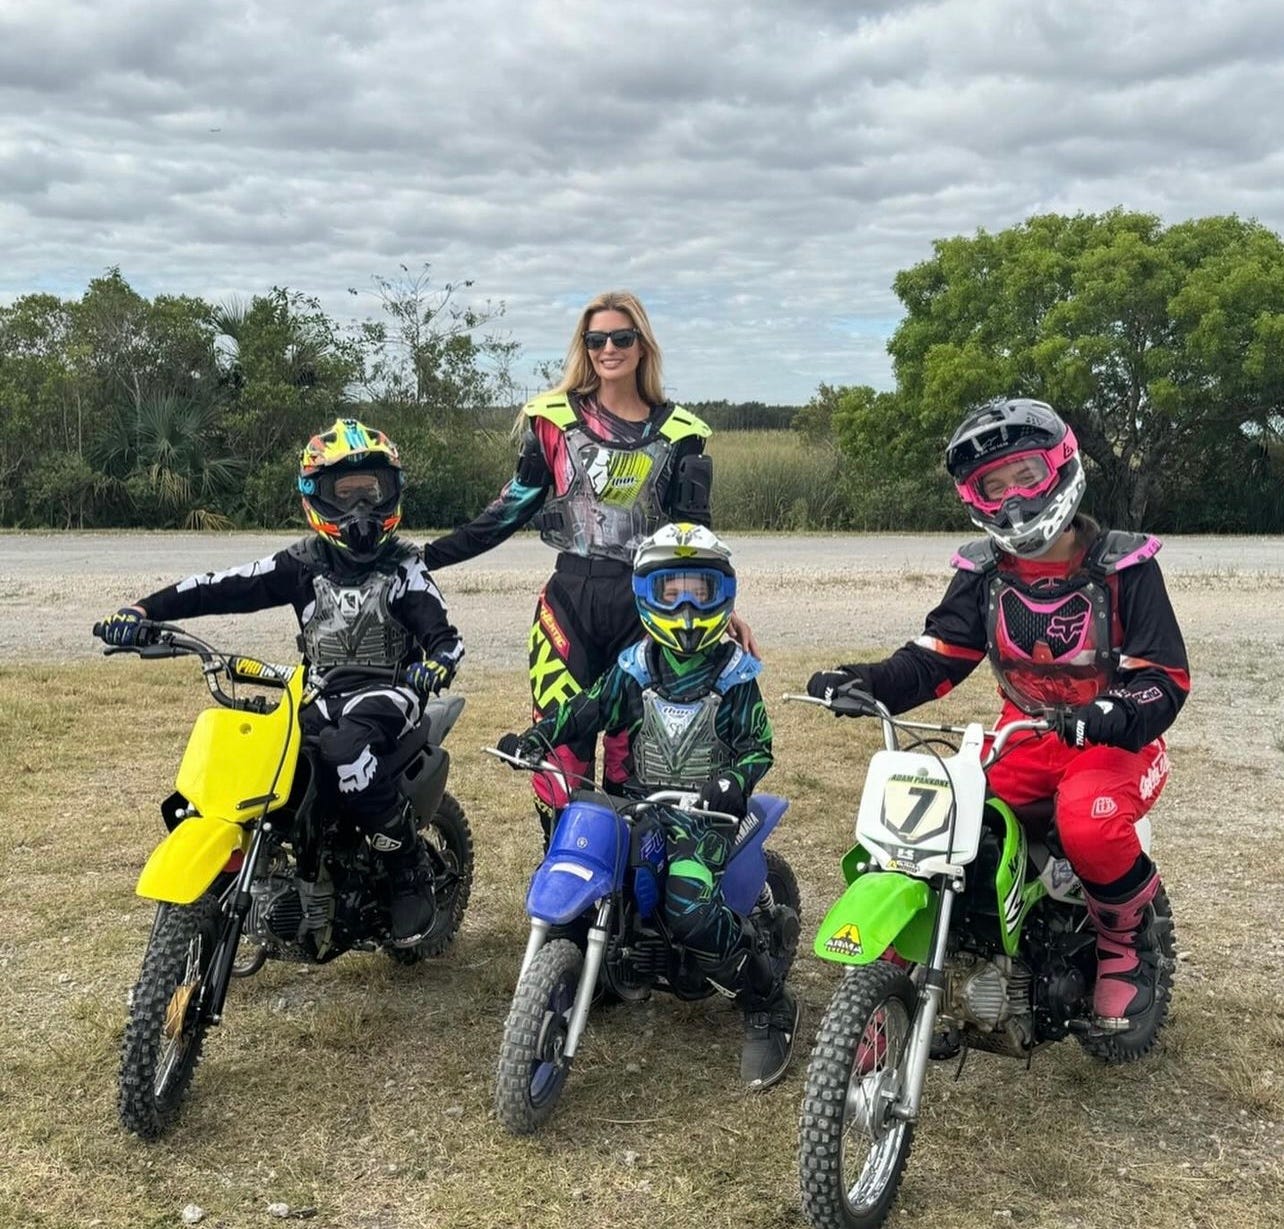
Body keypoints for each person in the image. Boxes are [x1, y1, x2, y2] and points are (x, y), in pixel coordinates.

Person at [807, 397, 1190, 1043]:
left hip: (1117, 739)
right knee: (946, 821)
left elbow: (1164, 678)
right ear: (973, 496)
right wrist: (864, 681)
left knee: (1086, 822)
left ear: (1060, 469)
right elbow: (936, 658)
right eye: (995, 485)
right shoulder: (984, 572)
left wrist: (1111, 712)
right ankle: (924, 956)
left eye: (1026, 475)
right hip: (1028, 735)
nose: (1013, 497)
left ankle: (1128, 939)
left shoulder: (1125, 566)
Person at [93, 418, 464, 948]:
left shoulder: (406, 567)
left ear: (392, 493)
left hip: (392, 691)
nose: (361, 507)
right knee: (262, 750)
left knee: (344, 748)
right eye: (346, 492)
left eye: (372, 491)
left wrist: (437, 663)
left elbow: (445, 637)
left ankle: (407, 867)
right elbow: (218, 587)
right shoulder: (302, 564)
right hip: (321, 691)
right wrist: (143, 610)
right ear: (317, 496)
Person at [422, 290, 755, 844]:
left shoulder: (682, 433)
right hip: (568, 603)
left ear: (642, 345)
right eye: (596, 339)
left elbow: (694, 537)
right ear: (584, 346)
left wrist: (725, 609)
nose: (608, 348)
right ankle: (565, 872)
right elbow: (505, 513)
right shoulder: (551, 422)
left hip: (647, 609)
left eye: (621, 337)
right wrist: (428, 556)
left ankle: (631, 884)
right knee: (560, 755)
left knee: (637, 757)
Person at [499, 523, 797, 1089]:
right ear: (646, 595)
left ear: (722, 593)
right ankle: (603, 970)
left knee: (688, 908)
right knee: (601, 873)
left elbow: (757, 746)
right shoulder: (634, 666)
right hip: (641, 803)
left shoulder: (734, 675)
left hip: (705, 815)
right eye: (671, 591)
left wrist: (733, 781)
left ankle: (768, 1001)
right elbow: (589, 708)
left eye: (699, 591)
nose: (686, 608)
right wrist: (539, 736)